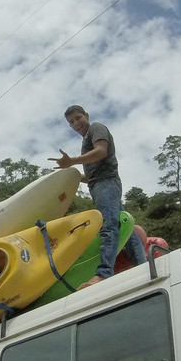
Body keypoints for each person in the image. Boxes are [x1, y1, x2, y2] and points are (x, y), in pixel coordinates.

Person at [51, 104, 146, 287]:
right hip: (100, 185)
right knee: (127, 229)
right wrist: (75, 178)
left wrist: (72, 162)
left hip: (107, 184)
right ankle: (143, 268)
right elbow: (94, 175)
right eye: (72, 122)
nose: (76, 123)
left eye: (78, 118)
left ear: (86, 115)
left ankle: (104, 274)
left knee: (109, 226)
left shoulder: (96, 128)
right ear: (70, 127)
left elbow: (101, 151)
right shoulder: (85, 141)